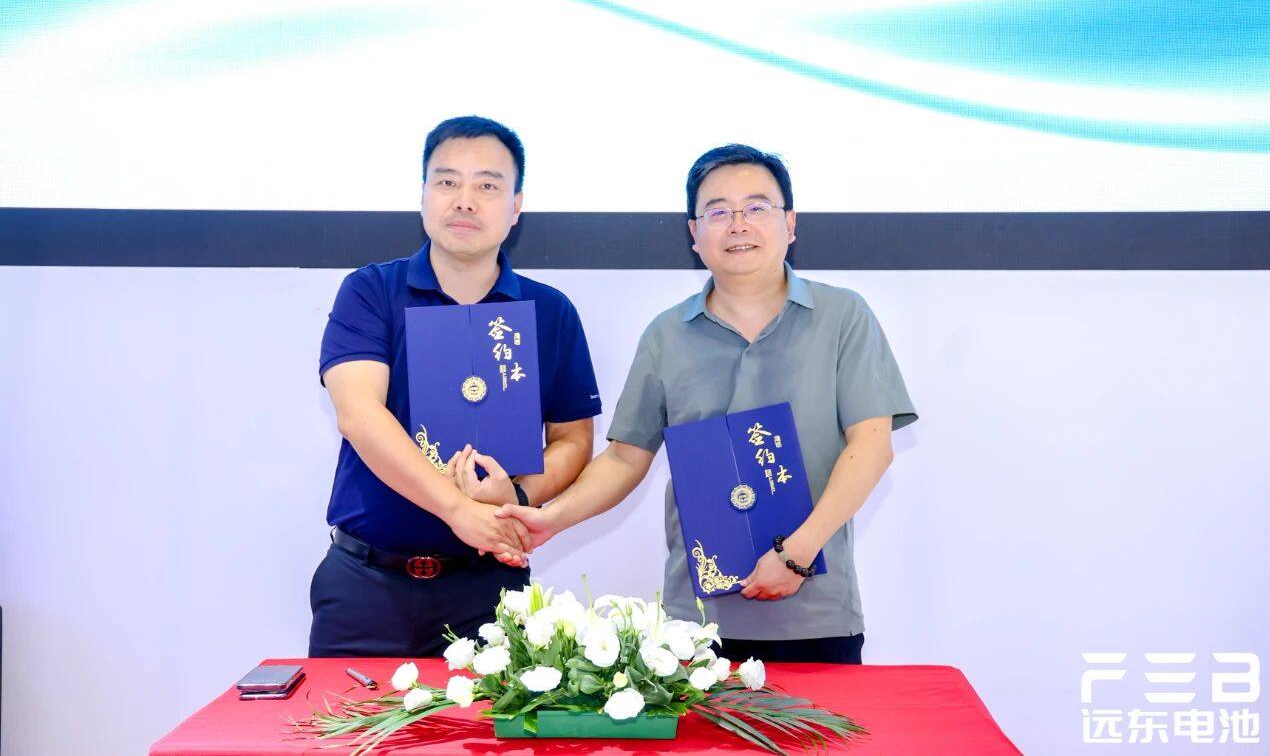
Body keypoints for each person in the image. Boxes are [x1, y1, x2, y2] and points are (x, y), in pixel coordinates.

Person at [499, 144, 916, 664]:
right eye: (718, 212)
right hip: (695, 625)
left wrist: (796, 553)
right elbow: (626, 457)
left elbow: (872, 446)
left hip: (817, 615)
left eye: (757, 207)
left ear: (790, 223)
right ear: (694, 234)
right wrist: (551, 519)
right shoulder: (666, 335)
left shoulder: (844, 316)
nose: (738, 225)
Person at [310, 116, 601, 657]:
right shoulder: (371, 291)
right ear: (423, 195)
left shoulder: (550, 311)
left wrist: (516, 499)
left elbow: (572, 440)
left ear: (516, 206)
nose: (464, 200)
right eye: (447, 182)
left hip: (488, 585)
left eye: (487, 185)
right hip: (365, 586)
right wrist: (457, 509)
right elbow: (359, 415)